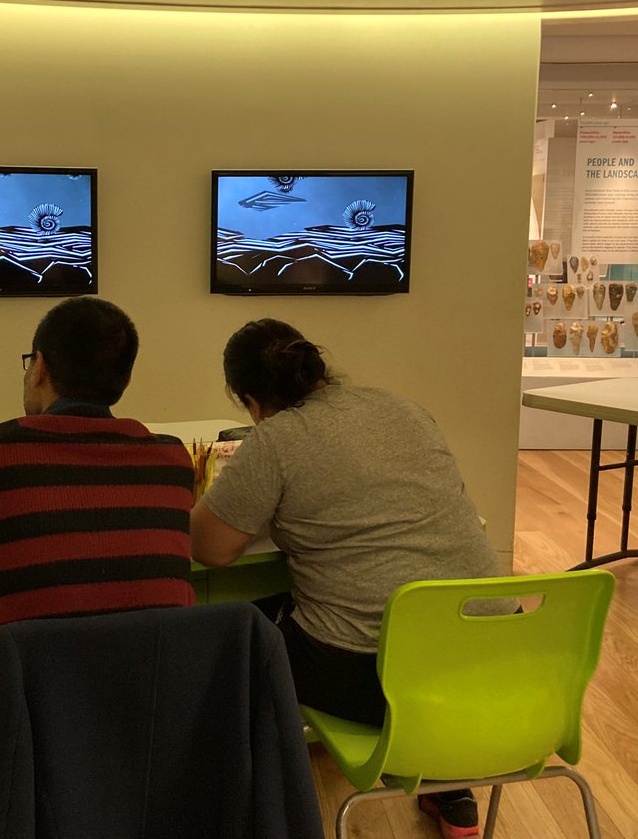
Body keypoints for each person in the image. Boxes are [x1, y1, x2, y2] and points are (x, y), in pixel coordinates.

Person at [190, 318, 500, 839]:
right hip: (494, 663)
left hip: (371, 675)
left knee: (234, 635)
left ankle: (248, 806)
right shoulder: (403, 408)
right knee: (410, 603)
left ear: (249, 398)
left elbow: (211, 550)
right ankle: (450, 783)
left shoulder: (277, 440)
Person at [0, 297, 196, 761]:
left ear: (39, 366)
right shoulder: (171, 459)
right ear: (122, 379)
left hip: (31, 731)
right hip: (149, 725)